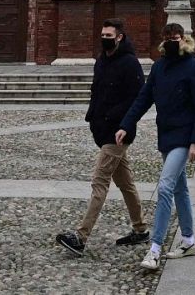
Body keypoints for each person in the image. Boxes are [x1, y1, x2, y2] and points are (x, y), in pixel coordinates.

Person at [118, 22, 195, 272]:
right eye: (168, 37)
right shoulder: (159, 67)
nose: (172, 40)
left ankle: (155, 248)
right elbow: (144, 97)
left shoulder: (193, 68)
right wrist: (126, 124)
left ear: (184, 39)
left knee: (166, 187)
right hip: (166, 135)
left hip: (184, 137)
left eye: (176, 37)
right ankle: (189, 240)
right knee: (180, 189)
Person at [57, 18, 147, 256]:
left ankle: (81, 236)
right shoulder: (101, 60)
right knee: (126, 184)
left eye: (109, 35)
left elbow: (138, 99)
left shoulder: (130, 64)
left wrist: (123, 123)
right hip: (102, 128)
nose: (104, 38)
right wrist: (92, 116)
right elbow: (96, 91)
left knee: (99, 182)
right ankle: (140, 229)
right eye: (103, 34)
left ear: (119, 37)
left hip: (118, 133)